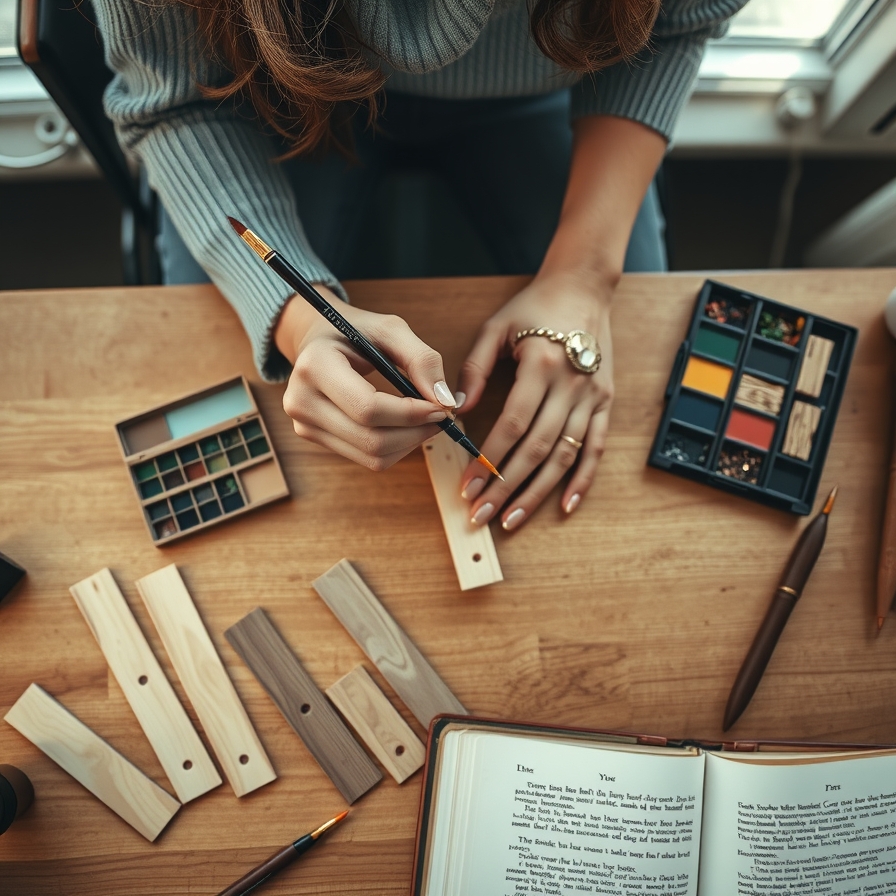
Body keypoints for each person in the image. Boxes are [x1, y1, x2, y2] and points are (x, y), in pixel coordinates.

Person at [93, 0, 746, 532]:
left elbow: (675, 24)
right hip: (263, 87)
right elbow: (173, 99)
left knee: (632, 339)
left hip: (557, 70)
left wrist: (585, 275)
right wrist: (298, 320)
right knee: (210, 366)